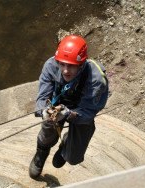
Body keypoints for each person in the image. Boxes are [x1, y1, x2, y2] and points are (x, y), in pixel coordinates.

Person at [29, 35, 109, 179]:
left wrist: (68, 114)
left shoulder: (96, 79)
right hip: (57, 104)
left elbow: (88, 112)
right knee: (46, 133)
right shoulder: (51, 65)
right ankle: (41, 153)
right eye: (62, 64)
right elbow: (42, 98)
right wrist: (44, 112)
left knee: (73, 158)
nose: (65, 70)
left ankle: (66, 142)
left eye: (71, 65)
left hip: (81, 110)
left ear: (81, 64)